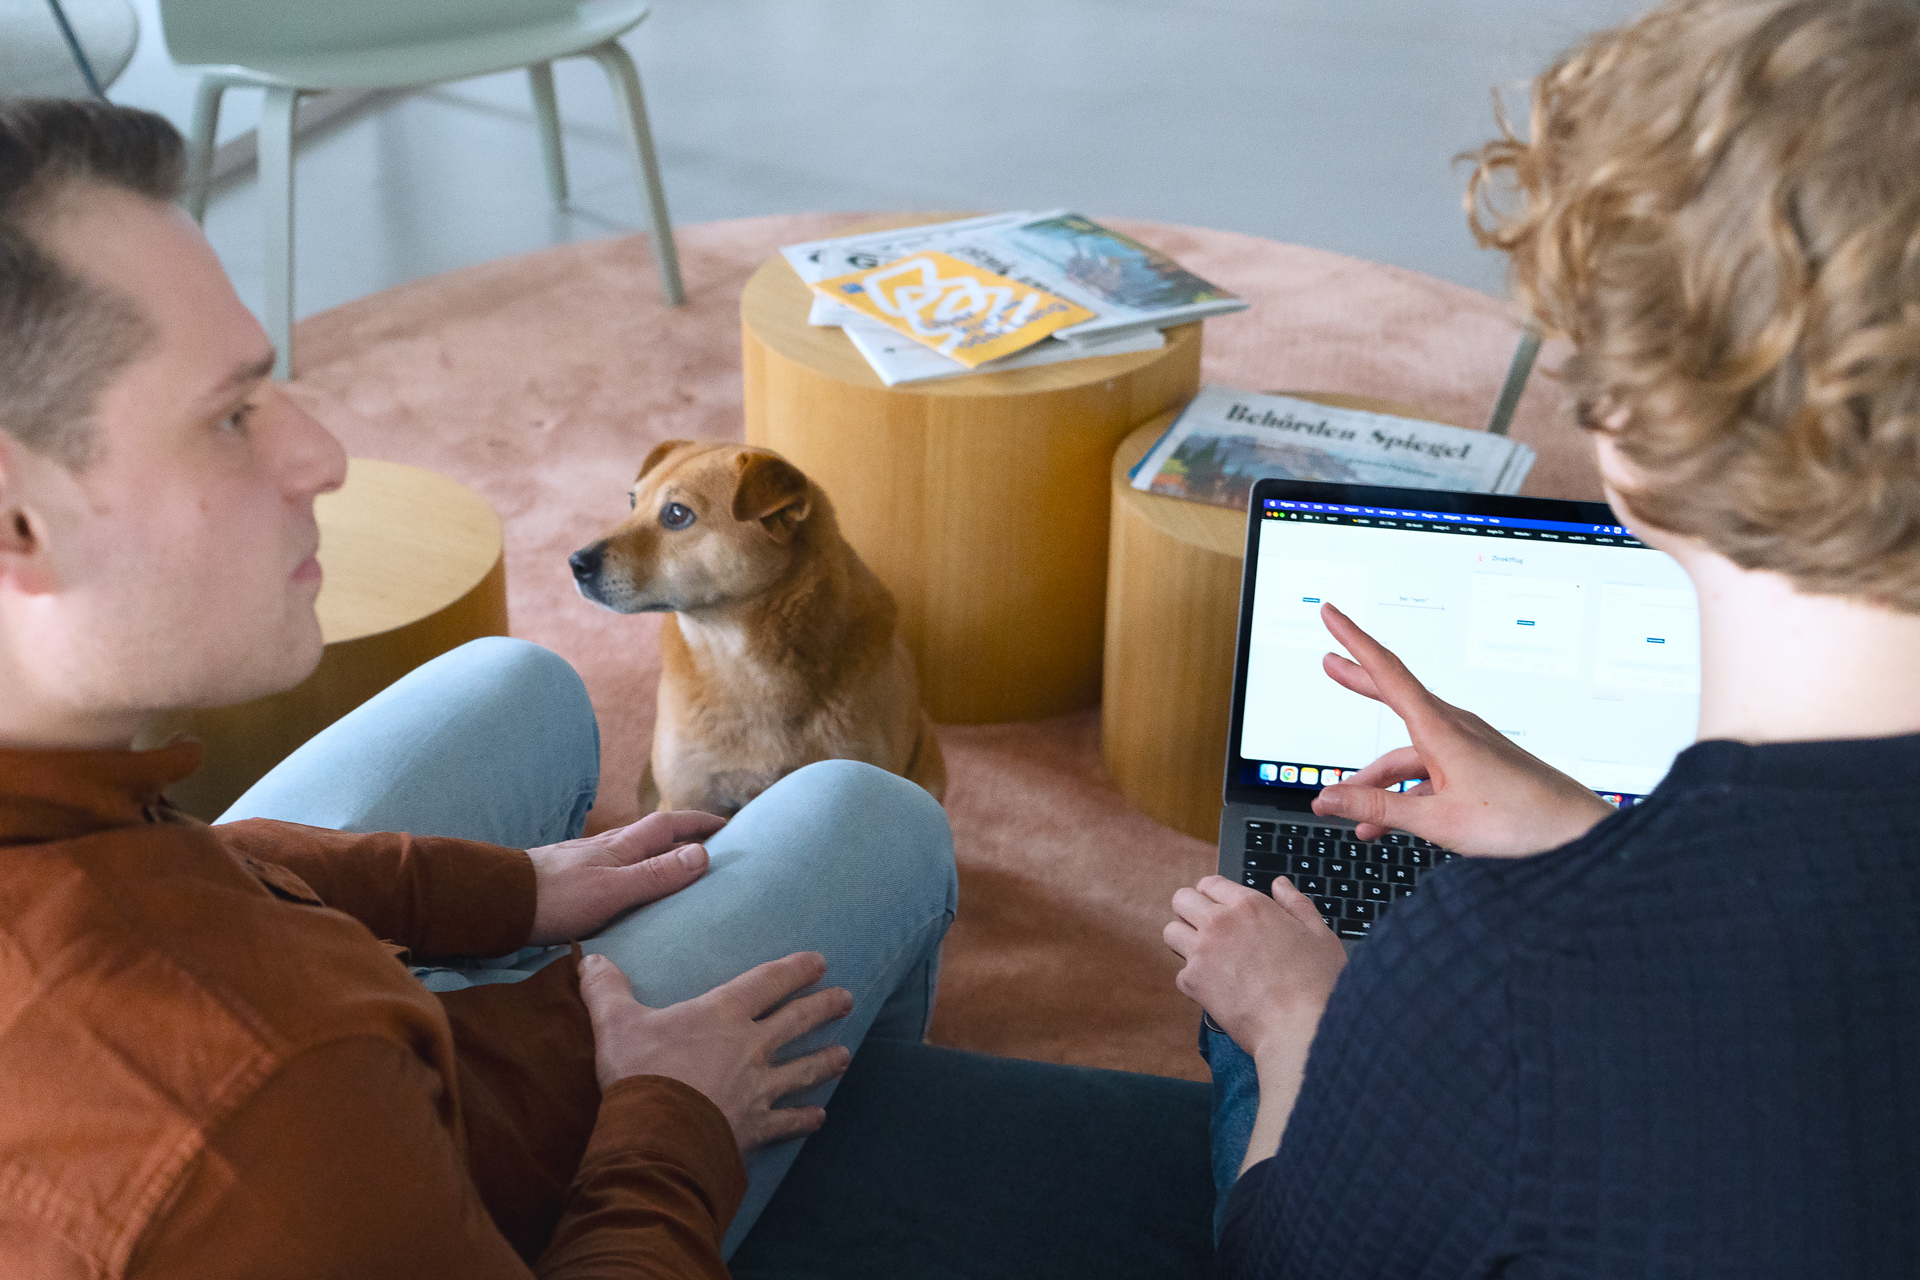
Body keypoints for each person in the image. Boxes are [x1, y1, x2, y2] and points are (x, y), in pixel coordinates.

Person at [0, 96, 956, 1277]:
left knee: (521, 680)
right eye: (233, 415)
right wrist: (671, 1120)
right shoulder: (252, 1116)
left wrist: (506, 886)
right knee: (870, 813)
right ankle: (841, 1175)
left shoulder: (60, 773)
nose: (322, 454)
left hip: (345, 1013)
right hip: (446, 1154)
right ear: (16, 515)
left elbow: (189, 863)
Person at [1166, 0, 1920, 1274]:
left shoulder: (1501, 976)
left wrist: (1302, 1023)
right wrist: (1581, 830)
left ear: (1632, 422)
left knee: (1252, 1005)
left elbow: (1276, 1259)